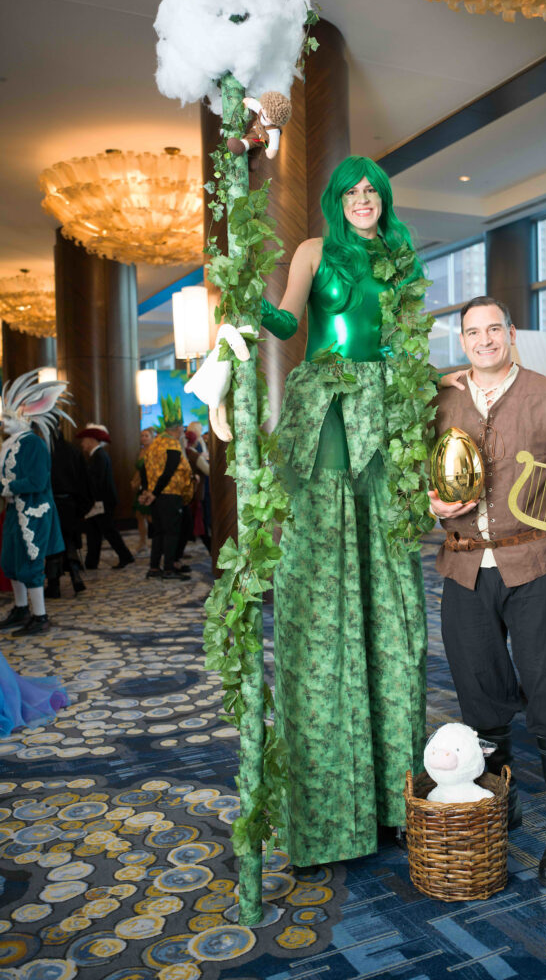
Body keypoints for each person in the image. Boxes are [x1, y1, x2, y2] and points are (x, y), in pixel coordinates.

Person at [188, 155, 429, 868]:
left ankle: (395, 794)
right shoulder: (315, 250)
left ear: (384, 200)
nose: (363, 200)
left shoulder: (400, 254)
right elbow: (289, 320)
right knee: (319, 585)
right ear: (335, 198)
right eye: (352, 191)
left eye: (373, 192)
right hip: (324, 410)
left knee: (390, 593)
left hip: (385, 416)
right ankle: (330, 805)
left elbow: (410, 349)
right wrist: (239, 301)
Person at [430, 296, 546, 888]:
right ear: (462, 341)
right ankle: (502, 793)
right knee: (479, 689)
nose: (483, 340)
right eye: (472, 332)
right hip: (463, 565)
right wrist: (428, 502)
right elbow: (416, 473)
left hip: (534, 559)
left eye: (493, 329)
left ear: (510, 334)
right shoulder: (439, 398)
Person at [0, 370, 69, 635]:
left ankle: (40, 617)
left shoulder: (34, 444)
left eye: (8, 417)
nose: (3, 422)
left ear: (26, 415)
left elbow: (37, 482)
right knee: (11, 562)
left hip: (33, 513)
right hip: (14, 510)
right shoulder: (10, 444)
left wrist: (6, 486)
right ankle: (20, 609)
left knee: (30, 565)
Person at [139, 399, 194, 580]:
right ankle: (169, 568)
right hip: (170, 495)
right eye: (181, 429)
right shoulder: (172, 444)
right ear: (178, 428)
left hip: (157, 496)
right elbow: (170, 470)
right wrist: (153, 493)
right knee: (171, 533)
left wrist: (148, 491)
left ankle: (154, 568)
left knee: (158, 532)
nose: (182, 432)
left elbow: (144, 468)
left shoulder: (154, 443)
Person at [78, 424, 135, 569]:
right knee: (94, 532)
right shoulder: (97, 456)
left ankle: (125, 556)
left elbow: (96, 482)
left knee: (108, 531)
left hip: (102, 502)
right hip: (100, 502)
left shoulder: (99, 456)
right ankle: (91, 562)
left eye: (84, 440)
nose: (82, 444)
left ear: (91, 440)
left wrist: (90, 500)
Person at [45, 426, 91, 598]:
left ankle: (54, 585)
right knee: (69, 540)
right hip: (70, 504)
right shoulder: (73, 451)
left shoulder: (44, 451)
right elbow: (84, 481)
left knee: (52, 544)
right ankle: (76, 576)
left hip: (50, 503)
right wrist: (82, 507)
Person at [131, 427, 156, 554]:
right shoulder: (141, 451)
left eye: (146, 436)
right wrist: (134, 481)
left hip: (150, 487)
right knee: (139, 515)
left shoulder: (154, 451)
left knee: (151, 516)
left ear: (152, 438)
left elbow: (150, 471)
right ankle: (143, 542)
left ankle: (159, 541)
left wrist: (139, 481)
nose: (144, 438)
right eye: (142, 436)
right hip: (141, 487)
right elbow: (139, 470)